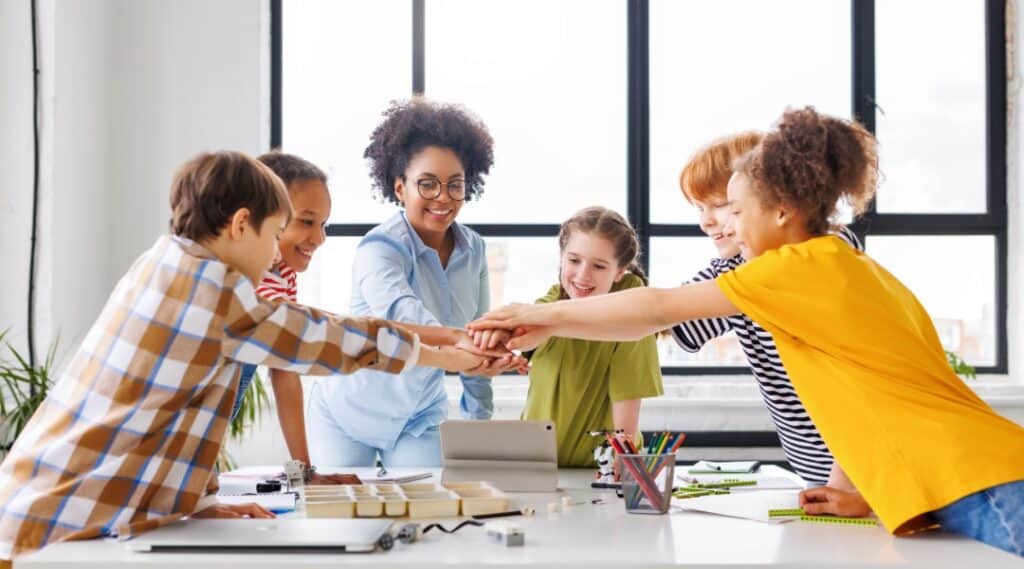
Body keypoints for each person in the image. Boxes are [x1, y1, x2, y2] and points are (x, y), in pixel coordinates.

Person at [469, 108, 1024, 556]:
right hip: (966, 472)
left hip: (975, 479)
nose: (724, 226)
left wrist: (544, 315)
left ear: (781, 211)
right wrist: (857, 488)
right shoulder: (845, 266)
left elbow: (659, 308)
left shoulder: (791, 270)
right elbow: (868, 393)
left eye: (733, 210)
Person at [0, 150, 484, 561]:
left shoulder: (163, 265)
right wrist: (442, 356)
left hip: (37, 505)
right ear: (239, 225)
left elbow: (166, 414)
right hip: (50, 526)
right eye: (275, 235)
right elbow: (324, 340)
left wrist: (194, 503)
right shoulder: (215, 291)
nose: (275, 254)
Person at [306, 99, 525, 468]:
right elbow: (401, 314)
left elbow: (478, 328)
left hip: (418, 416)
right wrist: (462, 344)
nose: (443, 197)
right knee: (344, 507)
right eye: (427, 184)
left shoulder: (474, 250)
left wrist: (478, 423)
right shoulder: (379, 248)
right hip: (346, 413)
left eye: (455, 185)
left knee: (430, 500)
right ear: (399, 188)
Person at [669, 131, 862, 486]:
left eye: (721, 204)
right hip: (817, 478)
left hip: (865, 475)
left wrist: (846, 481)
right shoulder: (734, 267)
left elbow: (857, 383)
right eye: (699, 208)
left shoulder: (824, 250)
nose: (705, 221)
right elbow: (663, 316)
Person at [487, 206, 662, 467]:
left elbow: (628, 393)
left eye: (599, 266)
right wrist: (498, 340)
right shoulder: (553, 299)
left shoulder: (632, 311)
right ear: (562, 258)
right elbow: (520, 328)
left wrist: (624, 458)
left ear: (619, 271)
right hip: (536, 463)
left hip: (596, 470)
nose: (582, 275)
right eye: (574, 261)